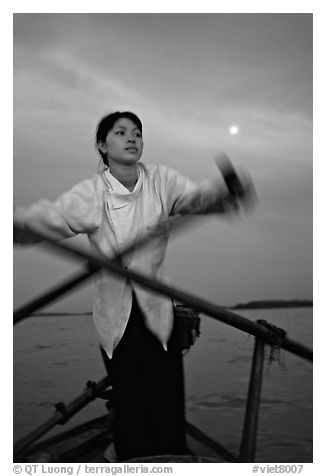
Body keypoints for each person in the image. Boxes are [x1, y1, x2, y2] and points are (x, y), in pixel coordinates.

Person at [14, 111, 255, 461]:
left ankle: (172, 458)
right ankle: (132, 459)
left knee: (167, 399)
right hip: (117, 314)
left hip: (158, 308)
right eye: (121, 132)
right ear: (102, 145)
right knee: (131, 402)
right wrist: (15, 221)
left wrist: (227, 192)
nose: (132, 138)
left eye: (137, 133)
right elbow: (50, 218)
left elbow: (199, 197)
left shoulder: (161, 180)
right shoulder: (92, 193)